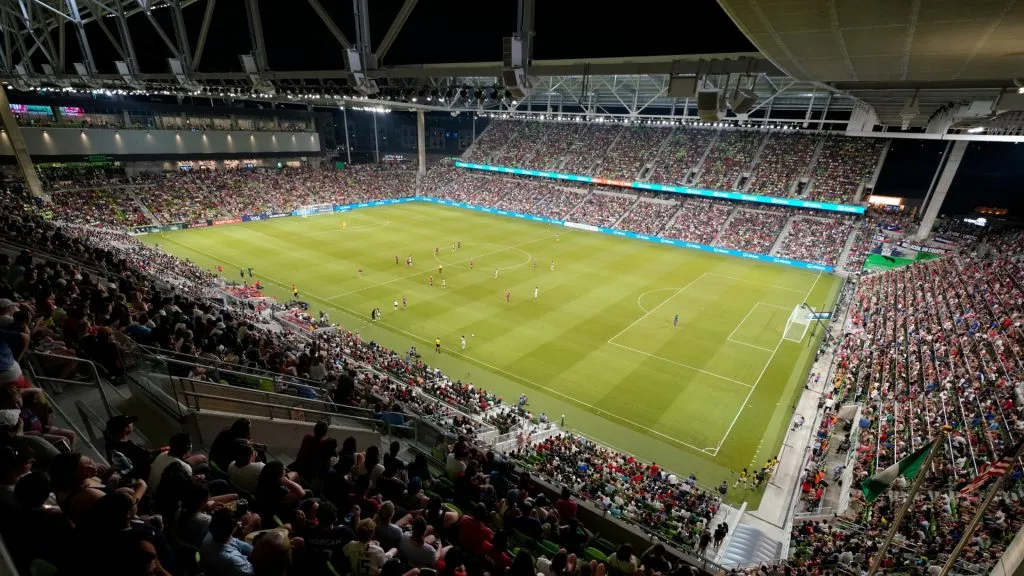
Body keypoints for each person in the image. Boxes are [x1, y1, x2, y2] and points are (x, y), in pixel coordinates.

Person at [201, 507, 256, 576]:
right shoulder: (234, 560)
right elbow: (251, 572)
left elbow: (234, 540)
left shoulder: (209, 535)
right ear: (233, 529)